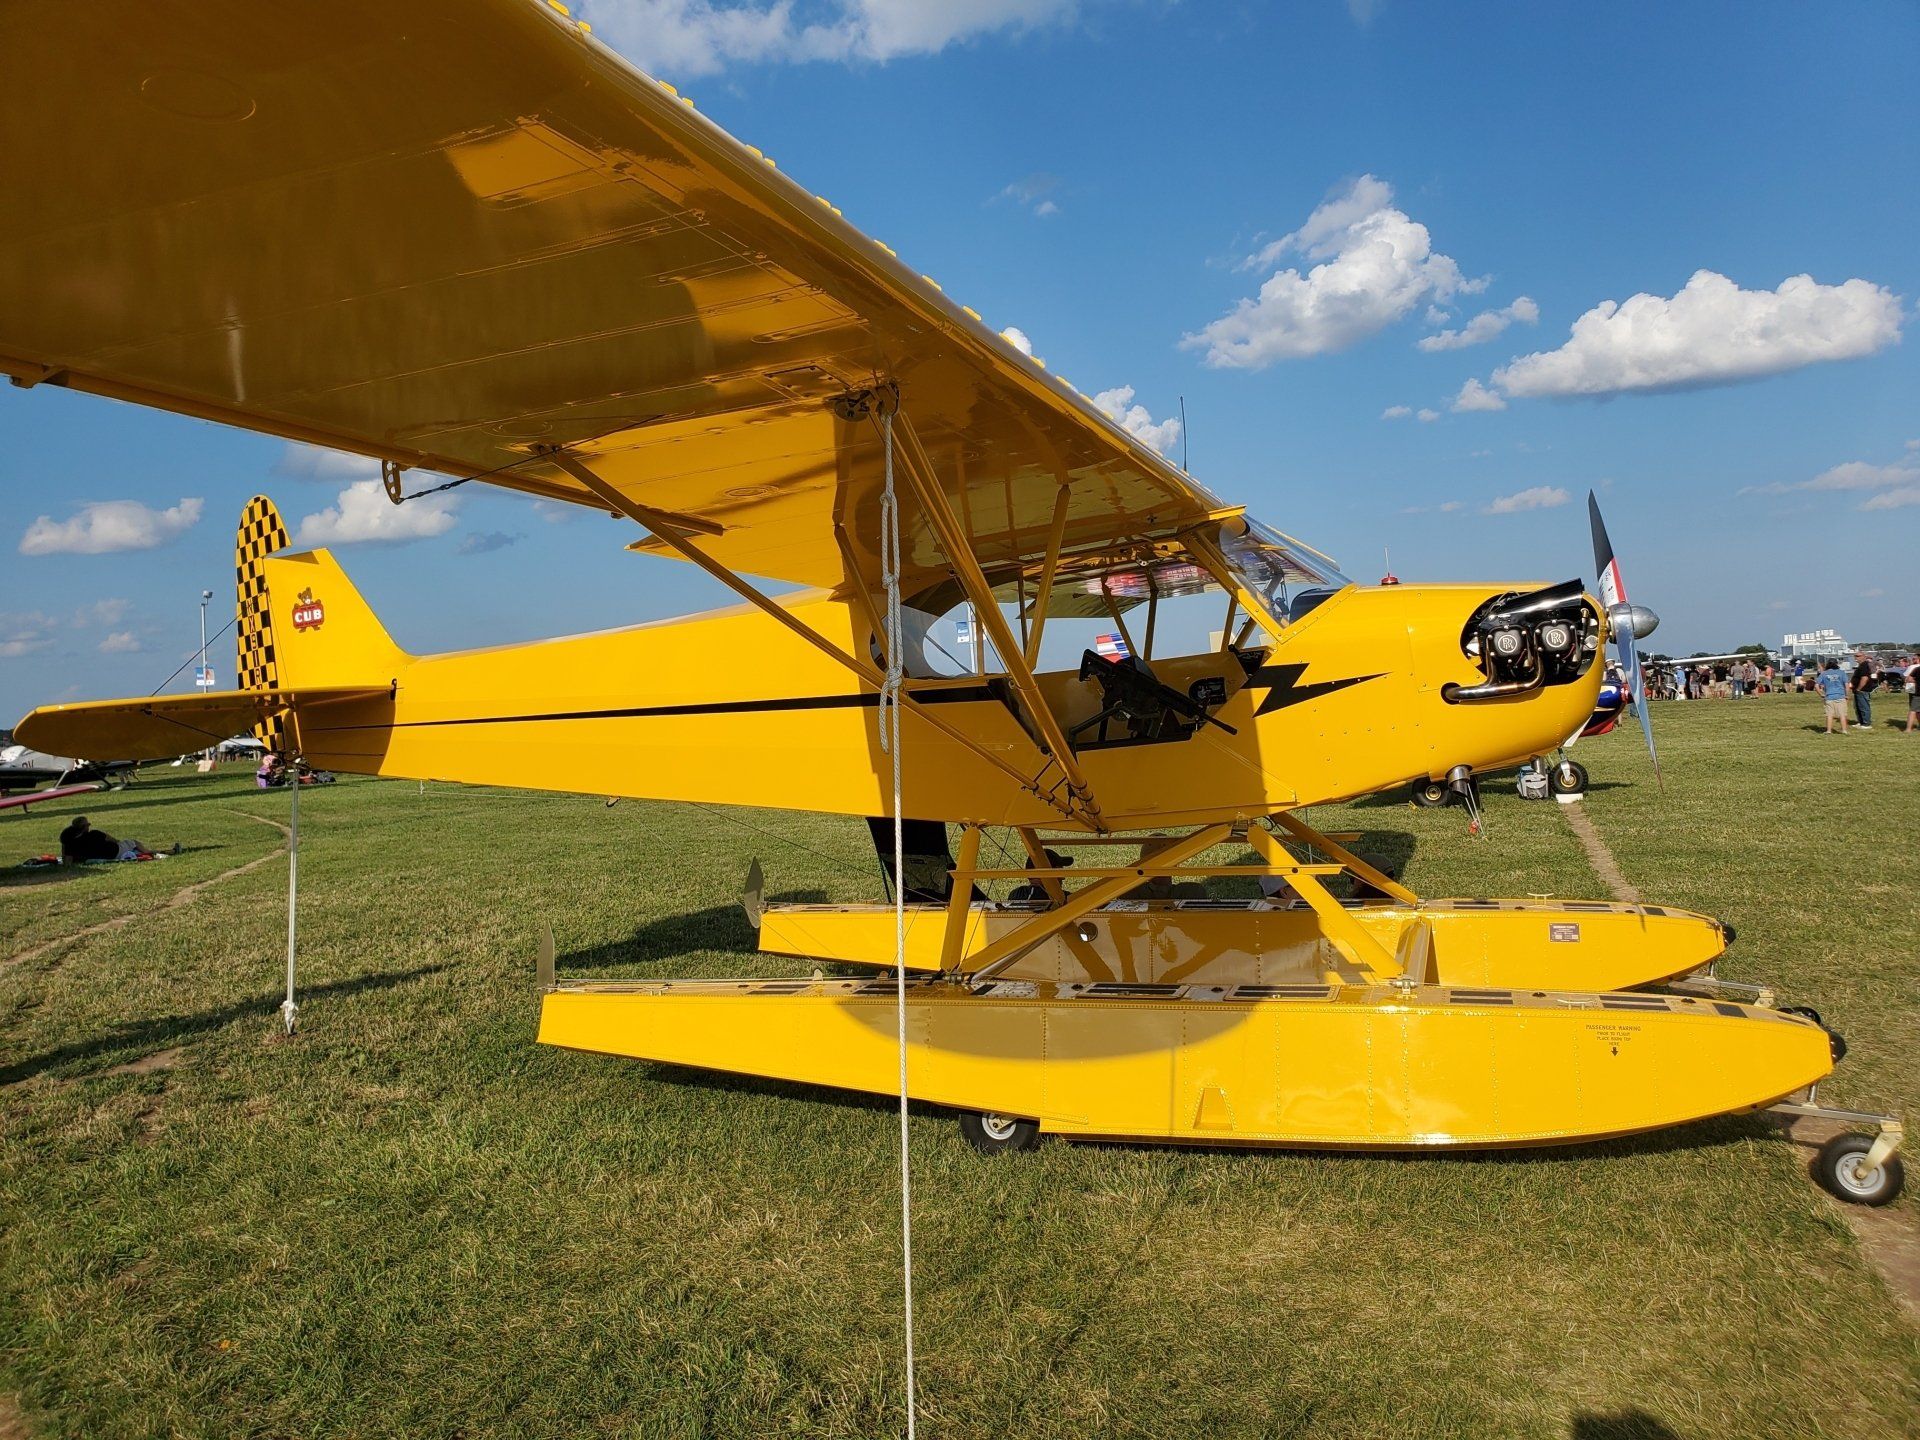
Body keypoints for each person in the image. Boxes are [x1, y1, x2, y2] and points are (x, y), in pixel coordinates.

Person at [58, 815, 172, 863]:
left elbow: (66, 859)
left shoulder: (69, 843)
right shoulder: (95, 834)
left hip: (95, 857)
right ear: (85, 827)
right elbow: (114, 841)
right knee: (133, 842)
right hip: (114, 852)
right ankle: (148, 852)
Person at [1816, 659, 1851, 735]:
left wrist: (1821, 694)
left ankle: (1829, 730)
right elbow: (1846, 685)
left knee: (1829, 715)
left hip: (1829, 696)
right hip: (1840, 696)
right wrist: (1847, 695)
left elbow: (1816, 685)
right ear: (1837, 664)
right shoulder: (1841, 673)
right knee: (1842, 714)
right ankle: (1844, 730)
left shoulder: (1824, 673)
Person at [1851, 652, 1875, 731]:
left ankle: (1866, 723)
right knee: (1857, 707)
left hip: (1863, 690)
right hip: (1857, 690)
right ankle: (1861, 722)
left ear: (1864, 657)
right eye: (1855, 656)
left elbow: (1864, 678)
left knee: (1864, 706)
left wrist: (1859, 688)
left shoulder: (1864, 665)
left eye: (1858, 656)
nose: (1856, 658)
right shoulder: (1860, 666)